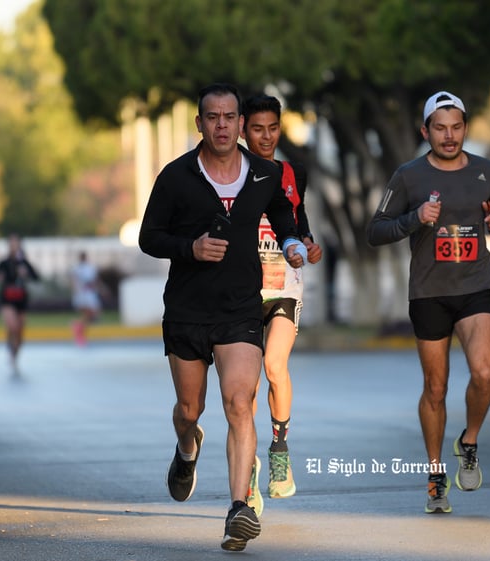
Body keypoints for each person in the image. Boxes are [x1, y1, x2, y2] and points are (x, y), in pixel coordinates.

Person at [137, 83, 306, 552]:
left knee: (239, 402)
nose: (222, 125)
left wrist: (292, 244)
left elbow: (285, 219)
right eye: (212, 117)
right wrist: (189, 248)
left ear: (239, 123)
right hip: (188, 312)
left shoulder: (264, 174)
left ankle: (239, 509)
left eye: (230, 117)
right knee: (190, 410)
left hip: (239, 310)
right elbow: (150, 237)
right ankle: (187, 448)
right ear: (200, 124)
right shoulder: (176, 177)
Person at [366, 91, 490, 514]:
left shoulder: (487, 170)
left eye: (457, 127)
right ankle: (434, 476)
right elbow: (376, 230)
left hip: (476, 285)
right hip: (429, 292)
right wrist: (415, 219)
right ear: (425, 130)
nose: (449, 136)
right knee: (436, 387)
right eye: (440, 128)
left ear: (465, 127)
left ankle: (468, 441)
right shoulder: (408, 175)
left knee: (483, 374)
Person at [240, 94, 322, 515]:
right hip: (242, 292)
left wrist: (307, 243)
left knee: (275, 367)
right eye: (258, 128)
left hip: (285, 285)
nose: (266, 136)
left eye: (273, 128)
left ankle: (280, 451)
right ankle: (247, 463)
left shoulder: (294, 172)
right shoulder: (231, 173)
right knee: (247, 384)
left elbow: (297, 217)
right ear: (242, 130)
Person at [0, 234, 39, 373]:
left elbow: (36, 277)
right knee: (12, 326)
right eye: (11, 243)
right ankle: (10, 345)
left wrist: (26, 274)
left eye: (16, 243)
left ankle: (15, 355)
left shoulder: (24, 262)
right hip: (7, 298)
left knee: (20, 331)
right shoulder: (4, 263)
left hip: (21, 299)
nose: (13, 246)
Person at [70, 250, 102, 346]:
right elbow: (73, 281)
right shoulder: (77, 268)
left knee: (91, 314)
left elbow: (94, 280)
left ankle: (78, 326)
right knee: (89, 313)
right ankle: (79, 329)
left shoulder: (90, 268)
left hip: (89, 293)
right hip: (83, 294)